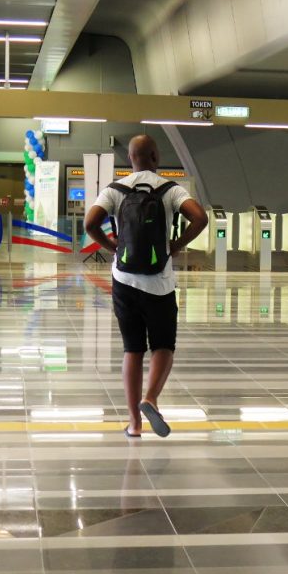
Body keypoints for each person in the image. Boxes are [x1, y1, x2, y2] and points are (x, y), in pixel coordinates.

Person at [84, 135, 208, 438]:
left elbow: (89, 223)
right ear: (155, 156)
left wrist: (112, 247)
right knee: (164, 346)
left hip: (123, 280)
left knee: (133, 350)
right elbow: (200, 218)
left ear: (130, 158)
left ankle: (134, 423)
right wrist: (176, 245)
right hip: (160, 283)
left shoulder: (115, 190)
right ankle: (150, 399)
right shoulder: (170, 190)